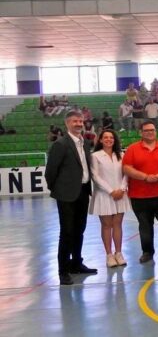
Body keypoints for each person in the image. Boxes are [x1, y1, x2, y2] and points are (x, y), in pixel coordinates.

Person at [45, 110, 97, 285]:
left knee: (79, 230)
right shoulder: (61, 144)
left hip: (83, 191)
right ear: (67, 123)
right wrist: (58, 189)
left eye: (81, 121)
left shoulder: (85, 143)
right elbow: (50, 171)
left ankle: (76, 263)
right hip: (66, 194)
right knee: (66, 232)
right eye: (75, 121)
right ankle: (63, 271)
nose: (79, 124)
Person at [122, 121, 158, 263]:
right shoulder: (132, 149)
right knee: (144, 226)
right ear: (141, 132)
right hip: (140, 196)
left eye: (152, 130)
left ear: (156, 131)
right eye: (146, 130)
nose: (150, 132)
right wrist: (145, 177)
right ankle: (147, 251)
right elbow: (126, 168)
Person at [88, 130, 131, 268]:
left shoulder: (121, 155)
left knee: (118, 224)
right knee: (107, 225)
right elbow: (95, 176)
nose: (108, 139)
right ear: (100, 140)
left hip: (120, 194)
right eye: (105, 137)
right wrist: (111, 191)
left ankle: (119, 253)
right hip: (104, 195)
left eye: (111, 137)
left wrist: (122, 189)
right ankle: (109, 255)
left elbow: (126, 174)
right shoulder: (95, 156)